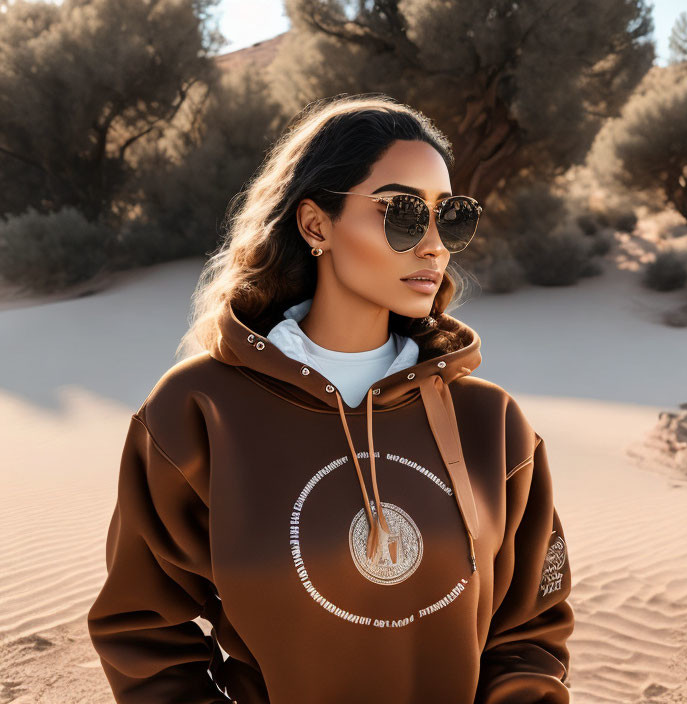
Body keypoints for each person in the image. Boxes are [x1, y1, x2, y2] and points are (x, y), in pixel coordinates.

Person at [86, 93, 574, 704]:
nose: (433, 245)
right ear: (317, 224)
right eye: (402, 214)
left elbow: (531, 630)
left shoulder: (491, 421)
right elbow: (142, 630)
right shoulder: (198, 412)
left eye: (448, 217)